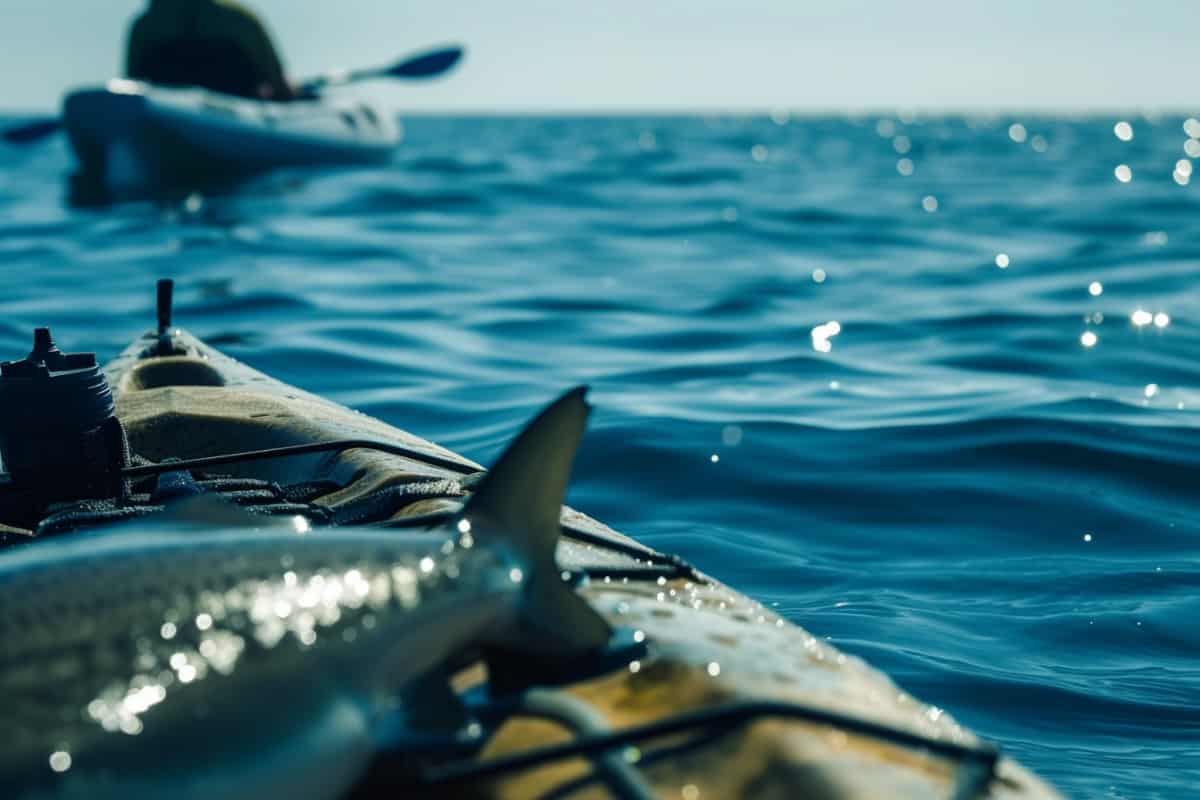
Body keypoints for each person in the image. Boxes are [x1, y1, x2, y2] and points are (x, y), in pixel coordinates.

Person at [125, 0, 294, 101]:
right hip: (231, 134)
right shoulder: (240, 21)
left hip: (164, 132)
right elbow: (280, 87)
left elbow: (131, 88)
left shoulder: (143, 26)